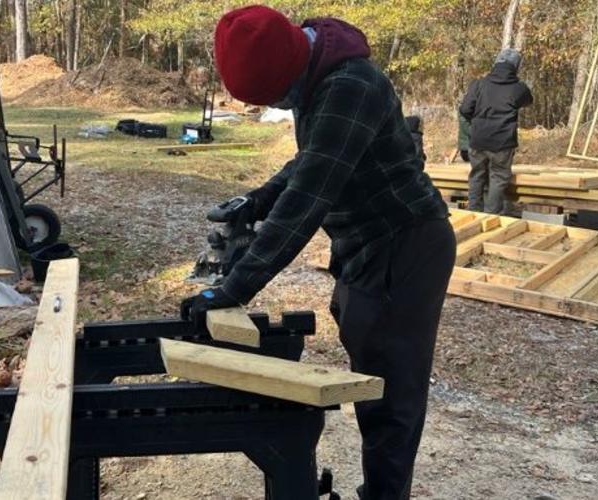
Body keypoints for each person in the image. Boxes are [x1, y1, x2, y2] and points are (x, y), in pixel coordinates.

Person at [179, 6, 455, 499]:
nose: (283, 106)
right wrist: (257, 199)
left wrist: (232, 287)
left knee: (389, 398)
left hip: (405, 246)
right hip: (366, 248)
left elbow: (308, 198)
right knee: (373, 377)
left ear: (290, 66)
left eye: (278, 96)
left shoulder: (352, 85)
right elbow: (312, 159)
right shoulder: (318, 72)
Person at [458, 48, 533, 214]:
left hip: (478, 140)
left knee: (477, 176)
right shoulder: (518, 88)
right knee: (498, 178)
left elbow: (464, 109)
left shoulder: (479, 84)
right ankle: (491, 215)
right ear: (516, 67)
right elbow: (528, 100)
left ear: (496, 63)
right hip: (502, 143)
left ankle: (474, 213)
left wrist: (477, 123)